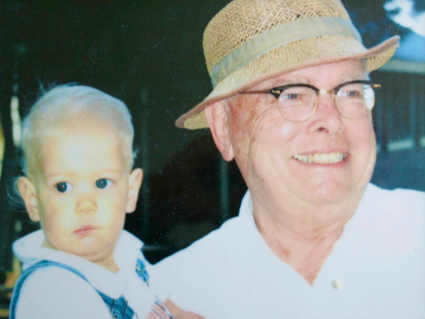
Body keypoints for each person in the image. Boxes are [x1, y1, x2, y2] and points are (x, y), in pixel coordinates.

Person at [147, 0, 425, 318]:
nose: (331, 120)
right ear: (223, 127)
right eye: (292, 94)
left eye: (350, 91)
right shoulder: (171, 296)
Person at [9, 85, 203, 319]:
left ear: (130, 192)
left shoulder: (125, 255)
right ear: (33, 200)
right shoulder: (50, 288)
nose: (86, 204)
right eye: (63, 187)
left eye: (101, 183)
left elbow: (158, 303)